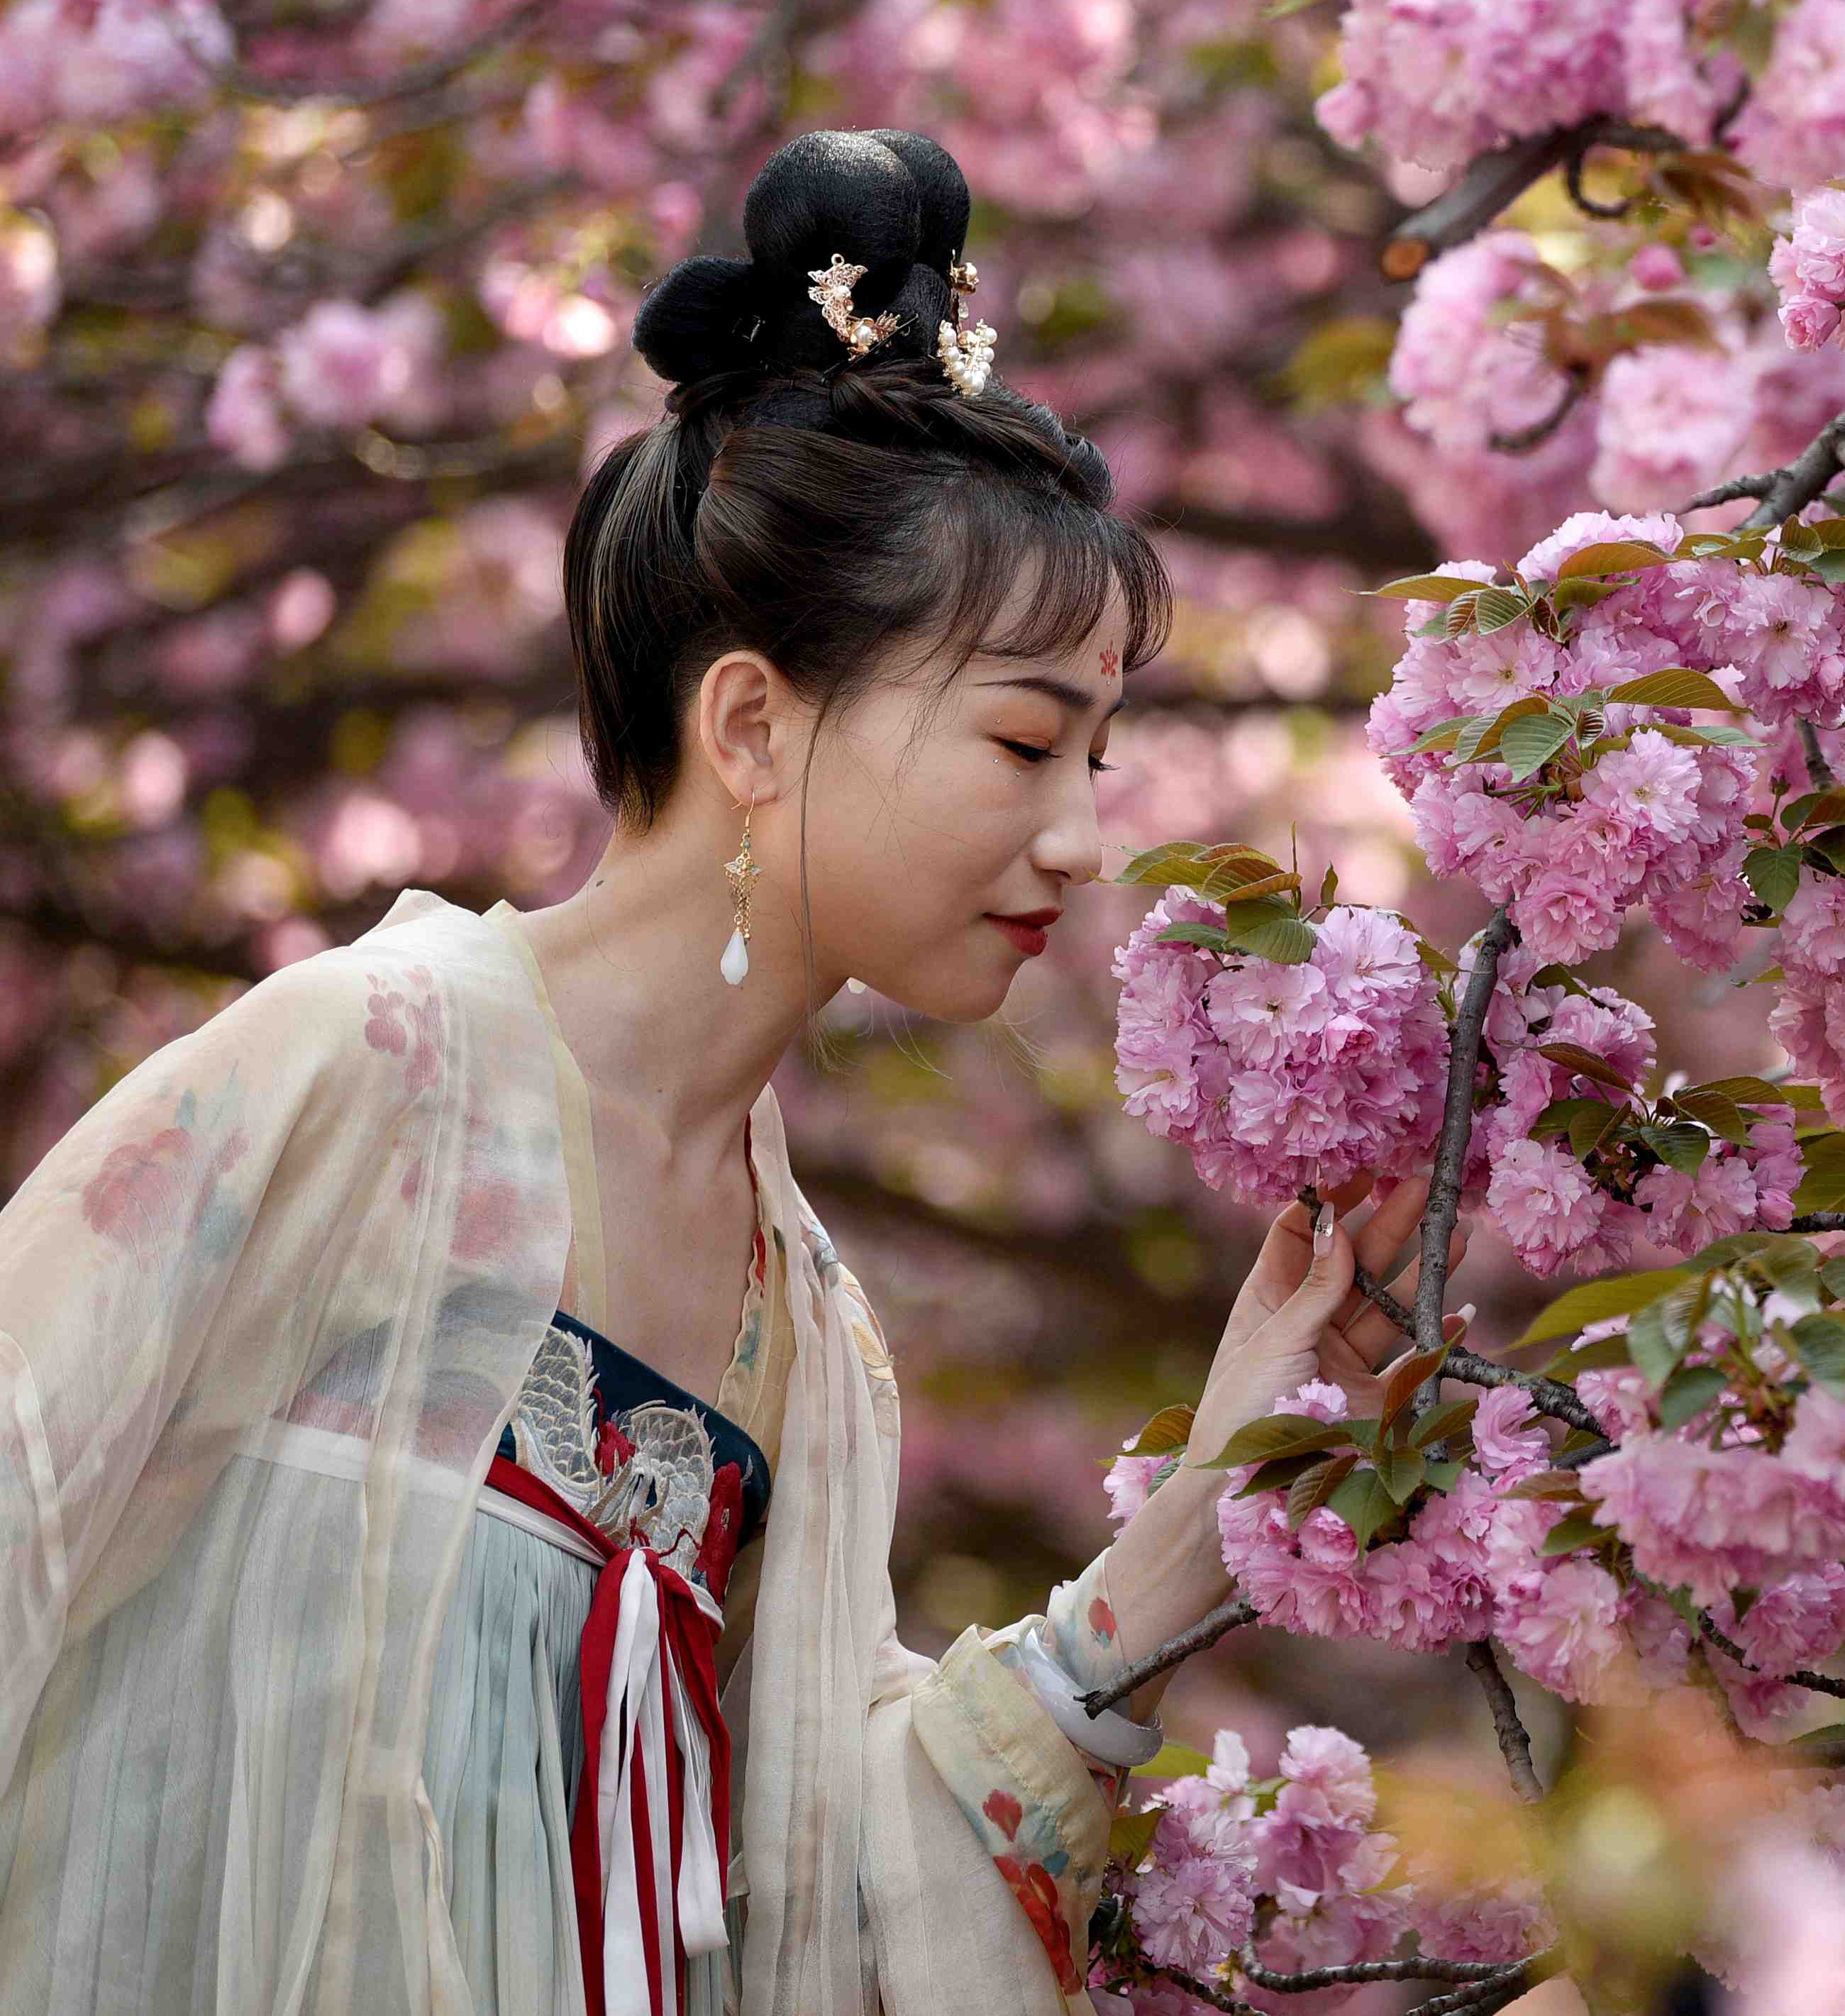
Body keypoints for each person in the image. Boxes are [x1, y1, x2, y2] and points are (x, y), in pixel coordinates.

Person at [0, 126, 1432, 2015]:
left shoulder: (803, 1332)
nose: (1085, 839)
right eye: (1024, 744)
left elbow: (808, 1917)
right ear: (753, 718)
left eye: (1101, 761)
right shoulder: (373, 1070)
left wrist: (1211, 1498)